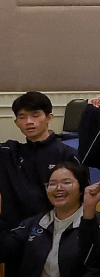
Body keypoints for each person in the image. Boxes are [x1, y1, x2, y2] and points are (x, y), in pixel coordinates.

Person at [1, 92, 79, 230]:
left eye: (35, 115)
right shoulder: (9, 153)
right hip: (13, 232)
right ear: (16, 122)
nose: (29, 122)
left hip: (53, 231)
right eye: (22, 117)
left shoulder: (67, 155)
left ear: (49, 118)